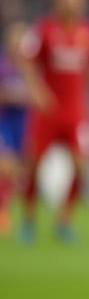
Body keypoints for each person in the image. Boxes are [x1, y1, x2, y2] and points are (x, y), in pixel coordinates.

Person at [16, 0, 89, 242]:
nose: (74, 0)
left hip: (76, 112)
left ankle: (64, 219)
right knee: (33, 165)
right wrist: (36, 89)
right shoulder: (44, 29)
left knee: (83, 165)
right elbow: (25, 60)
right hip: (47, 111)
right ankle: (28, 219)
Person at [0, 22, 30, 235]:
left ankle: (20, 214)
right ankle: (3, 211)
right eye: (16, 41)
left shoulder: (32, 68)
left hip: (26, 123)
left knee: (21, 172)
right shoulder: (2, 66)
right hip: (5, 121)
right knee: (6, 165)